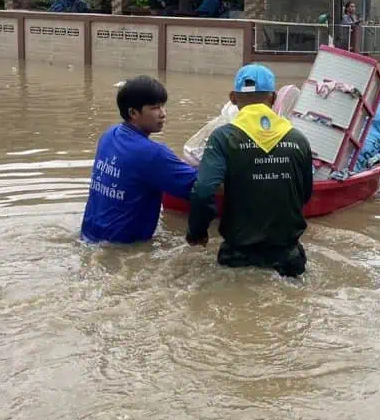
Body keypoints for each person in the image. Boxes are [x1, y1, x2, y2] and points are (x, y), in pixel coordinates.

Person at [186, 64, 313, 277]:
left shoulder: (223, 138)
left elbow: (204, 190)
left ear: (233, 98)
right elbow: (306, 194)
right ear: (273, 98)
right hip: (289, 259)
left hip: (237, 257)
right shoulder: (298, 139)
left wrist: (196, 232)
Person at [80, 76, 197, 244]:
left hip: (88, 235)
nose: (163, 114)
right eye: (155, 108)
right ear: (133, 112)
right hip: (123, 249)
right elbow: (205, 186)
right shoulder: (153, 154)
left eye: (163, 106)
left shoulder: (108, 135)